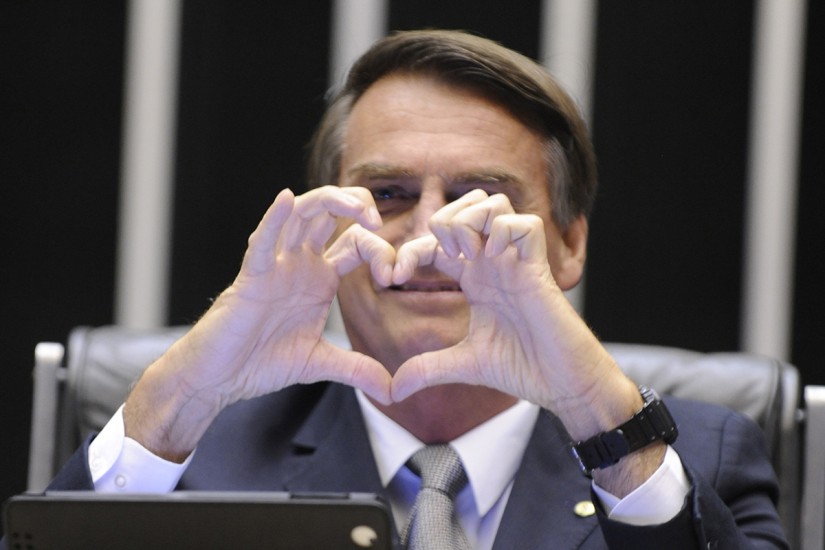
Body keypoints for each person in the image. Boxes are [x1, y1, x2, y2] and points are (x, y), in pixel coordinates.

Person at [42, 30, 786, 548]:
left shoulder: (697, 458)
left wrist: (603, 421)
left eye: (481, 201)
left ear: (568, 245)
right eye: (388, 194)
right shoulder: (194, 457)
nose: (428, 236)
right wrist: (180, 396)